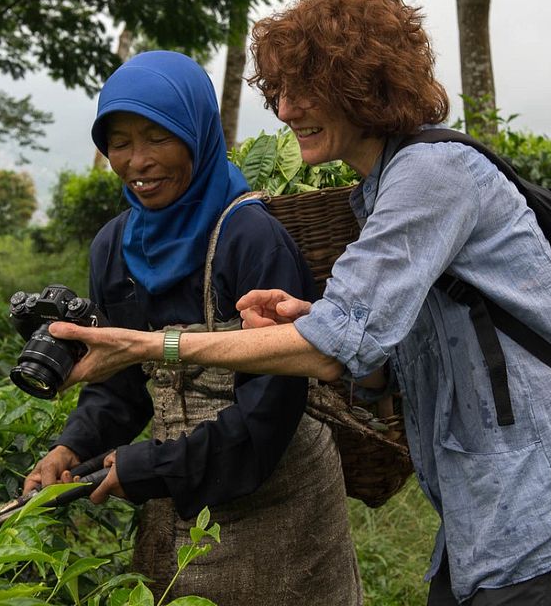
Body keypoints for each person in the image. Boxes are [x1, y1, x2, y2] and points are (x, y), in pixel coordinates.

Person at [46, 0, 551, 605]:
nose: (286, 111)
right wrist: (314, 319)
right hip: (481, 503)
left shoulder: (432, 177)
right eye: (280, 93)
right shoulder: (380, 191)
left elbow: (329, 352)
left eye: (306, 91)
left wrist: (151, 346)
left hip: (541, 490)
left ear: (362, 86)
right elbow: (384, 347)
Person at [22, 50, 362, 605]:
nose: (137, 161)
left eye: (158, 137)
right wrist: (71, 447)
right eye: (119, 143)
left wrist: (148, 467)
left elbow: (269, 412)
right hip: (176, 498)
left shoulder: (250, 238)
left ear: (197, 135)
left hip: (278, 505)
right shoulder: (113, 247)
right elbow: (122, 385)